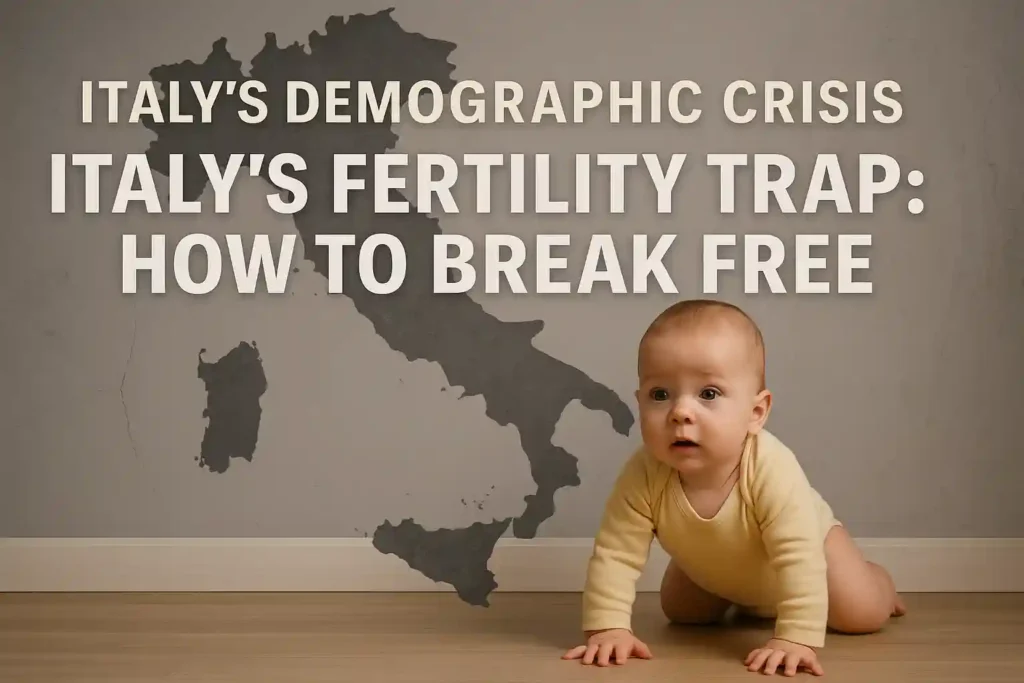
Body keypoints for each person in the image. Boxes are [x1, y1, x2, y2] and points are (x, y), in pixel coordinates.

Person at [562, 299, 905, 676]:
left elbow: (798, 557)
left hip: (810, 553)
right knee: (682, 612)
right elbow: (616, 552)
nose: (681, 411)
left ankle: (879, 581)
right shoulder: (643, 472)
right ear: (639, 400)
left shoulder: (770, 468)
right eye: (660, 394)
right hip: (719, 566)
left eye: (708, 394)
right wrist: (608, 629)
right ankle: (729, 586)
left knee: (862, 614)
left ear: (756, 413)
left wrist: (794, 638)